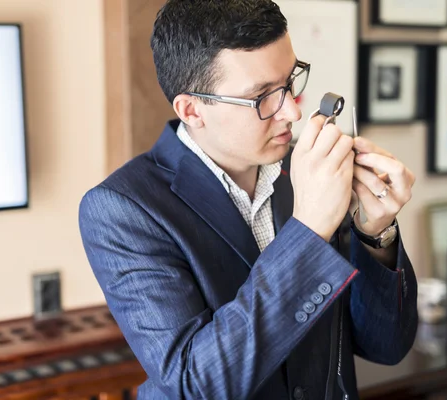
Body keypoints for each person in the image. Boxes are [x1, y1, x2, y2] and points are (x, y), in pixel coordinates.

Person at [78, 1, 418, 398]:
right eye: (262, 96)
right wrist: (308, 230)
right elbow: (196, 385)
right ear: (192, 109)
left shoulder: (308, 171)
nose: (292, 111)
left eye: (290, 82)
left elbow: (386, 347)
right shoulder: (122, 210)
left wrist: (375, 235)